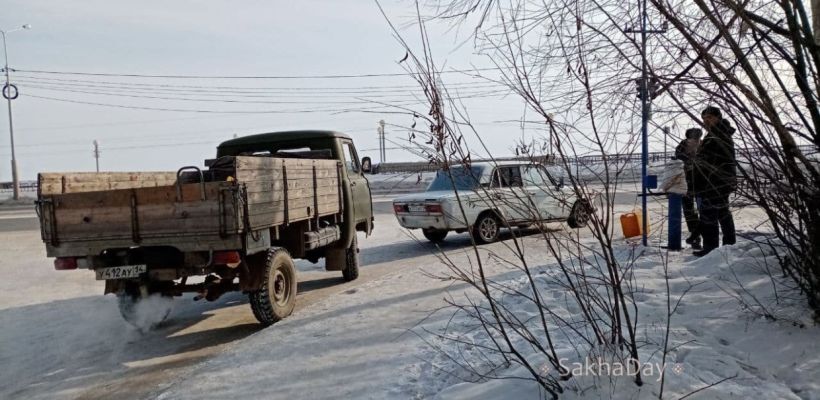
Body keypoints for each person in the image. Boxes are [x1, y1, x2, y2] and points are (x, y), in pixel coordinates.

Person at [692, 106, 737, 257]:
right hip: (718, 181)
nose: (706, 121)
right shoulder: (717, 133)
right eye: (704, 119)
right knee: (723, 213)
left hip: (714, 182)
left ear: (718, 117)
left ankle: (711, 248)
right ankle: (729, 245)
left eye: (710, 118)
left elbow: (712, 160)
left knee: (709, 216)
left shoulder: (718, 135)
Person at [674, 128, 703, 250]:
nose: (694, 143)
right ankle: (696, 234)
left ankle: (696, 234)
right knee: (690, 210)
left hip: (698, 183)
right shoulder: (684, 146)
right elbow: (679, 162)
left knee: (696, 210)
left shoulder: (702, 146)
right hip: (690, 183)